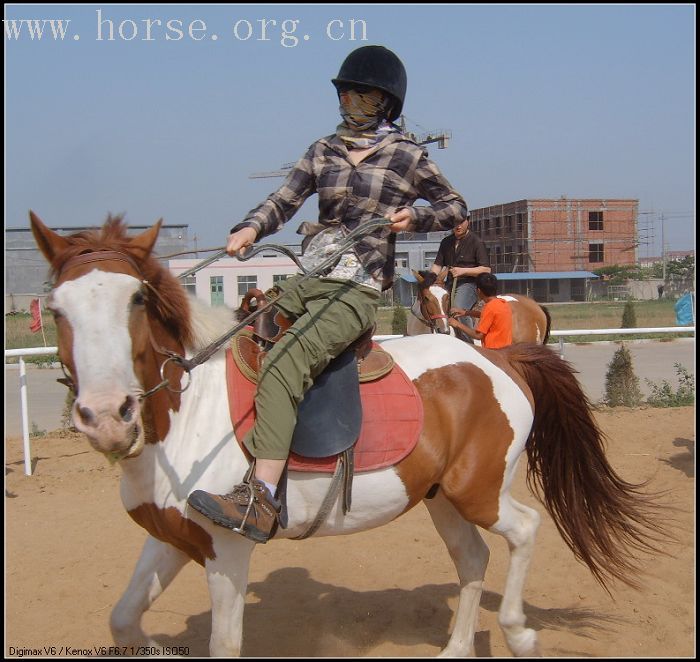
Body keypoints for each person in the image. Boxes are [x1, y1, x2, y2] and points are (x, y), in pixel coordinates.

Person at [188, 45, 468, 543]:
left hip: (356, 287)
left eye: (362, 94)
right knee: (238, 336)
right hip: (310, 276)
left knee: (284, 363)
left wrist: (416, 217)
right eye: (345, 93)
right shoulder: (322, 149)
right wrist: (249, 228)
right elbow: (284, 200)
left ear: (385, 102)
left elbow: (455, 207)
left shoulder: (407, 156)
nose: (350, 101)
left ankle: (261, 498)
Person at [429, 215, 490, 343]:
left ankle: (469, 343)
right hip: (449, 283)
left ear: (468, 222)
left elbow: (486, 269)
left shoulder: (476, 242)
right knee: (434, 305)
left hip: (469, 284)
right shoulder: (446, 242)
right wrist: (429, 280)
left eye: (461, 222)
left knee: (458, 308)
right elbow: (437, 265)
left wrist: (463, 271)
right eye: (455, 223)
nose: (458, 226)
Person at [448, 273, 512, 349]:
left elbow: (478, 335)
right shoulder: (503, 303)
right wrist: (466, 312)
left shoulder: (489, 307)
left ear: (478, 291)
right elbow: (489, 315)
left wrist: (457, 324)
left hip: (493, 351)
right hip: (506, 350)